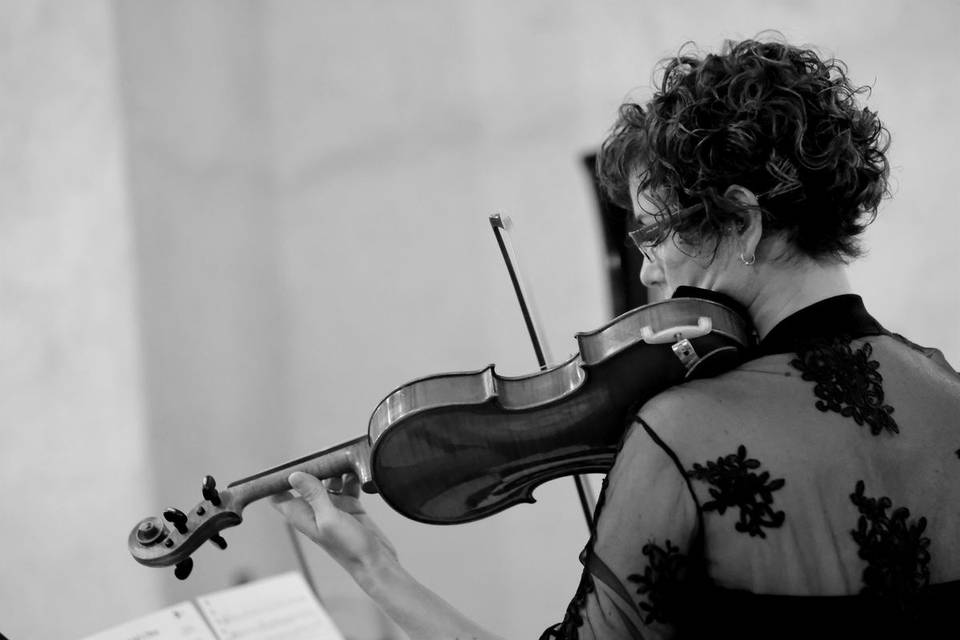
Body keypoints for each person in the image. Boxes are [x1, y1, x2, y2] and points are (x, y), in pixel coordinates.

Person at [271, 38, 960, 639]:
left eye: (656, 233)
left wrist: (378, 572)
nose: (645, 267)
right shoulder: (946, 390)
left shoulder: (685, 435)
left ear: (743, 222)